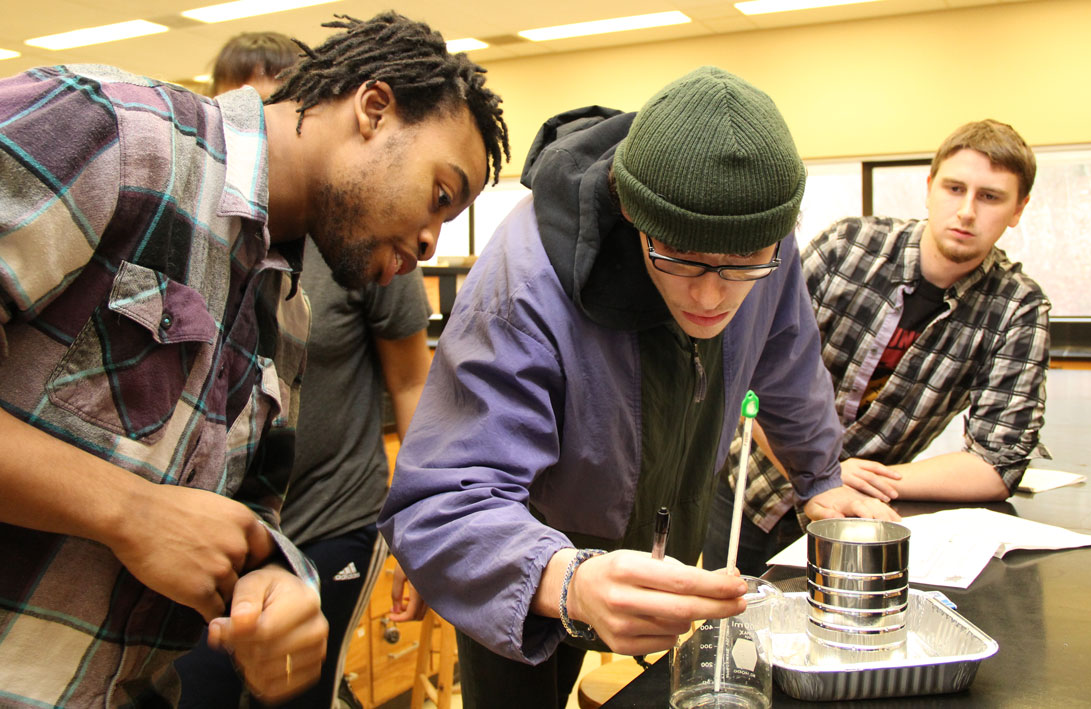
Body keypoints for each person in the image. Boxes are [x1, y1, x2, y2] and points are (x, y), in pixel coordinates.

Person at [0, 11, 508, 707]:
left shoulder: (285, 309)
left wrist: (268, 585)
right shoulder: (114, 133)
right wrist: (130, 510)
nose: (428, 241)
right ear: (374, 108)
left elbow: (238, 519)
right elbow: (151, 517)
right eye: (440, 195)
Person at [378, 66, 896, 709]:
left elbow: (787, 357)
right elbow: (443, 500)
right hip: (524, 570)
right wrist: (564, 581)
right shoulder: (523, 280)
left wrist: (821, 478)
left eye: (742, 268)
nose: (711, 298)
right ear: (631, 209)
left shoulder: (763, 234)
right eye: (681, 259)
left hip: (669, 538)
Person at [174, 30, 440, 709]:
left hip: (328, 518)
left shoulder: (367, 233)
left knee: (292, 697)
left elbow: (412, 382)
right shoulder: (204, 217)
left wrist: (418, 525)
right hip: (212, 533)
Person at [703, 119, 1051, 576]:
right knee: (731, 634)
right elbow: (746, 367)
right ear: (929, 187)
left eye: (990, 197)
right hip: (749, 493)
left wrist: (842, 476)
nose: (967, 211)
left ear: (1018, 209)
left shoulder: (1017, 308)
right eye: (954, 188)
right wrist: (820, 470)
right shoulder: (848, 247)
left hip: (862, 518)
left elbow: (995, 464)